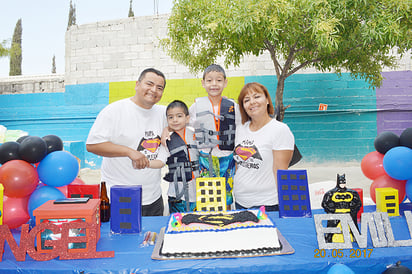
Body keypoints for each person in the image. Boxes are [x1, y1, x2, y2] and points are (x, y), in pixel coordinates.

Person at [86, 68, 168, 216]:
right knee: (121, 239)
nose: (153, 90)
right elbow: (92, 145)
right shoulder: (114, 111)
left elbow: (186, 122)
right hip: (120, 197)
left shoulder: (164, 113)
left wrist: (171, 130)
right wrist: (129, 152)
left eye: (159, 88)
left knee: (155, 238)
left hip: (153, 199)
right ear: (137, 84)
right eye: (149, 84)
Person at [233, 82, 295, 211]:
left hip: (268, 203)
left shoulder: (280, 130)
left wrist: (287, 208)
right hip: (240, 202)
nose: (252, 102)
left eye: (256, 97)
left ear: (267, 100)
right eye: (246, 100)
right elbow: (239, 164)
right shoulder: (240, 129)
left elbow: (281, 171)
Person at [188, 64, 241, 208]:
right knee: (208, 198)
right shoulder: (195, 107)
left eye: (218, 80)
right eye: (209, 80)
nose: (214, 84)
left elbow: (240, 130)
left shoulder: (233, 106)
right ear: (203, 83)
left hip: (227, 157)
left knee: (227, 197)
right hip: (206, 158)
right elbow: (186, 127)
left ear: (225, 82)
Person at [150, 100, 199, 213]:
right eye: (170, 117)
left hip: (199, 192)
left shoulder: (196, 135)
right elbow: (161, 161)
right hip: (177, 195)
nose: (175, 120)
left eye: (179, 116)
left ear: (187, 118)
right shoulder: (167, 140)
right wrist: (147, 163)